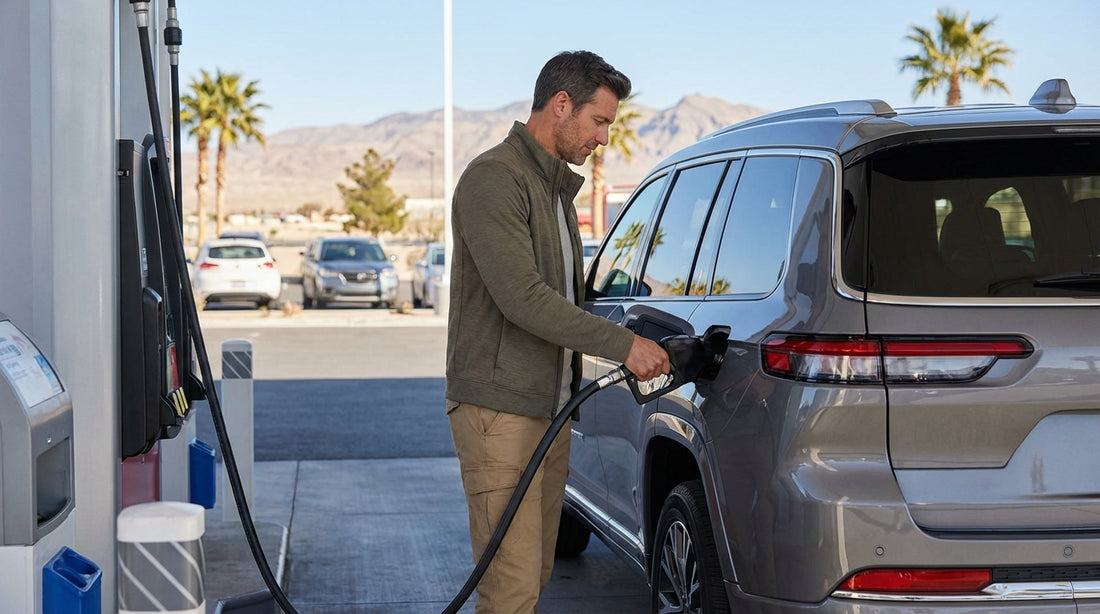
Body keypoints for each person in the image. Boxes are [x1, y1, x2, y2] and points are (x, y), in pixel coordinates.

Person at [445, 50, 670, 613]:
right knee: (510, 588)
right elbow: (524, 298)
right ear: (562, 105)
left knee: (535, 573)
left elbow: (571, 297)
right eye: (599, 121)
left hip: (549, 412)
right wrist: (625, 345)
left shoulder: (554, 191)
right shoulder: (494, 179)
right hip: (501, 414)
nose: (603, 138)